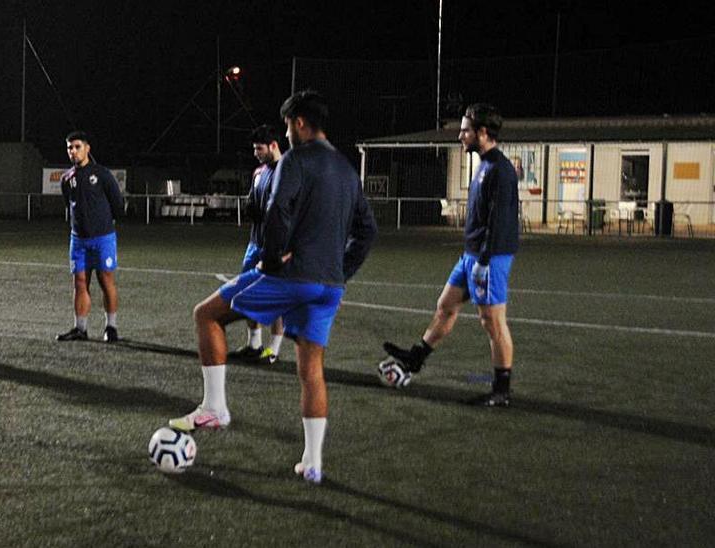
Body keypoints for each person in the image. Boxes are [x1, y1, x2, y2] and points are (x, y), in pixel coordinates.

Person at [169, 91, 377, 484]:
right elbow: (368, 231)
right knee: (311, 370)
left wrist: (269, 259)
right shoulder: (347, 169)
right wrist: (340, 272)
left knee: (206, 315)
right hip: (328, 286)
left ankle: (215, 407)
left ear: (298, 123)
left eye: (286, 125)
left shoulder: (296, 160)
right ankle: (312, 463)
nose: (286, 132)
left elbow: (278, 211)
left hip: (291, 278)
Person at [380, 103, 519, 407]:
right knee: (446, 305)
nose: (460, 135)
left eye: (466, 130)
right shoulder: (483, 164)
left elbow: (500, 220)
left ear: (483, 133)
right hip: (472, 255)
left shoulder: (500, 170)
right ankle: (416, 358)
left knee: (492, 322)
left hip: (489, 257)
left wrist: (484, 260)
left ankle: (501, 390)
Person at [55, 131, 125, 343]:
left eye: (77, 147)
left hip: (103, 238)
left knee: (106, 281)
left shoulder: (101, 174)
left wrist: (104, 225)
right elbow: (70, 206)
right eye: (69, 148)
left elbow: (117, 204)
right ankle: (80, 329)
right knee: (80, 282)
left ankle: (111, 327)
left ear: (87, 148)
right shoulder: (67, 179)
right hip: (78, 240)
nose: (73, 151)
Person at [230, 125, 287, 365]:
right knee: (246, 291)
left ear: (273, 145)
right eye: (254, 149)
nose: (256, 152)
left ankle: (272, 350)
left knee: (276, 296)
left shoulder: (289, 172)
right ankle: (254, 344)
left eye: (259, 148)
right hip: (255, 243)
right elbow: (254, 203)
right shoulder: (258, 172)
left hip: (277, 245)